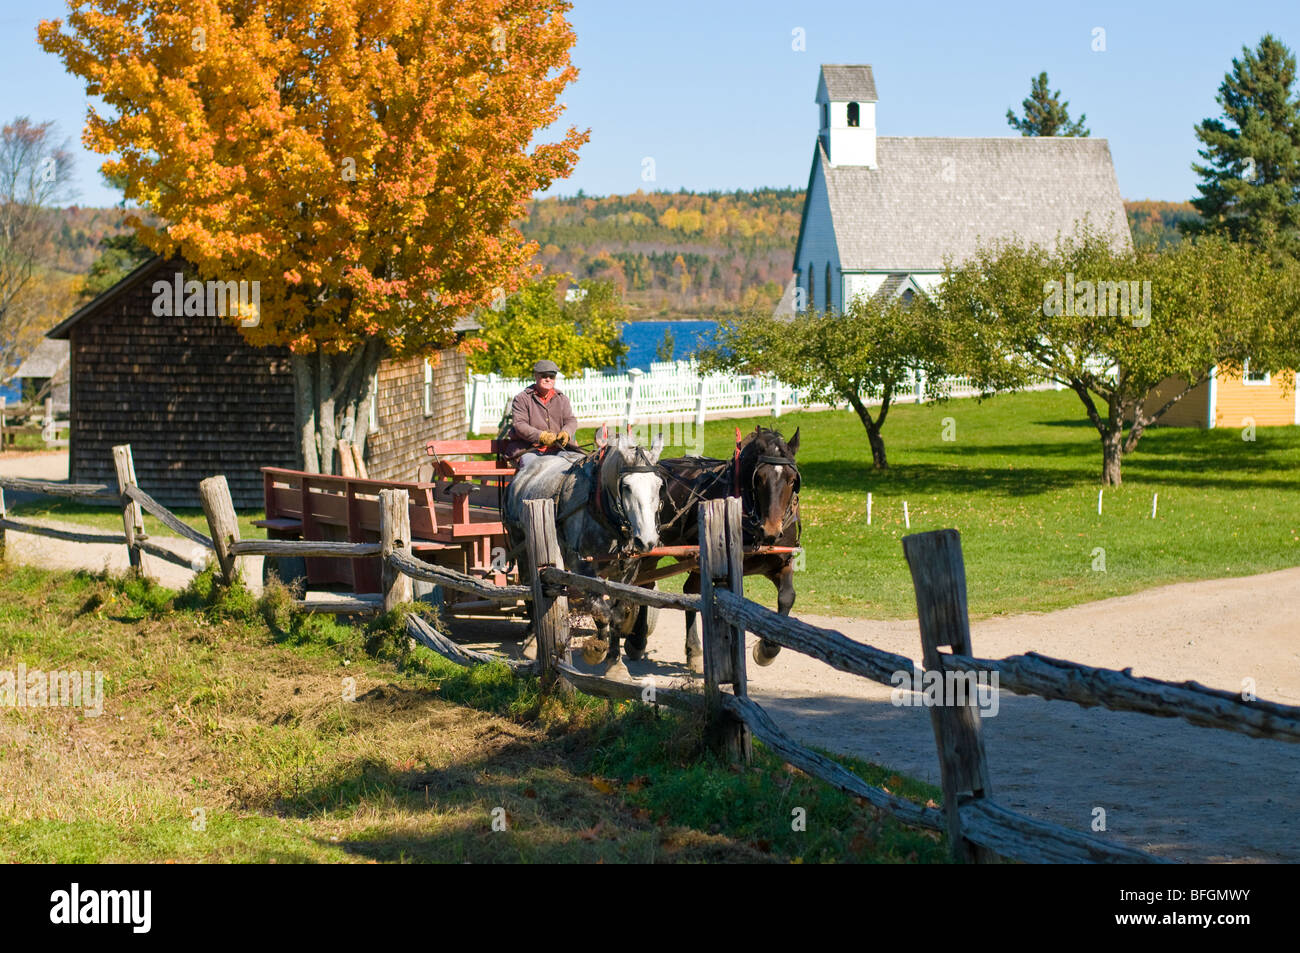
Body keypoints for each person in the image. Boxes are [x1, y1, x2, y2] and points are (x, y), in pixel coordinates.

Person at [503, 359, 581, 468]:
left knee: (578, 465)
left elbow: (570, 420)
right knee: (536, 468)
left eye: (552, 376)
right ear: (536, 376)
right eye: (544, 376)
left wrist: (566, 432)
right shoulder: (521, 399)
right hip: (529, 450)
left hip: (560, 449)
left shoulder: (562, 398)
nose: (548, 379)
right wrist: (542, 436)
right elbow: (520, 425)